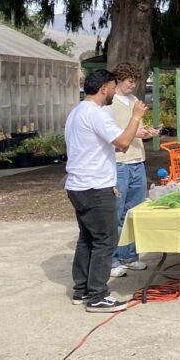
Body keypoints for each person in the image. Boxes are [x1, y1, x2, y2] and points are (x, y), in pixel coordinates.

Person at [65, 69, 146, 312]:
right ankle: (98, 296)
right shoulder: (97, 113)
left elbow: (114, 147)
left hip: (77, 186)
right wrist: (135, 117)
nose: (113, 92)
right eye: (112, 87)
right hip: (96, 186)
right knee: (106, 240)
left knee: (87, 238)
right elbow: (122, 143)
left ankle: (81, 290)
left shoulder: (77, 111)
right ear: (104, 89)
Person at [108, 63, 159, 278]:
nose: (133, 85)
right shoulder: (109, 105)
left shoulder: (133, 101)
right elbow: (113, 133)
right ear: (118, 80)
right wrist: (134, 132)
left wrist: (146, 132)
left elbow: (134, 129)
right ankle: (113, 260)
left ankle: (130, 256)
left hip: (137, 160)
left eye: (135, 81)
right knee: (116, 214)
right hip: (120, 162)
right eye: (130, 80)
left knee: (133, 213)